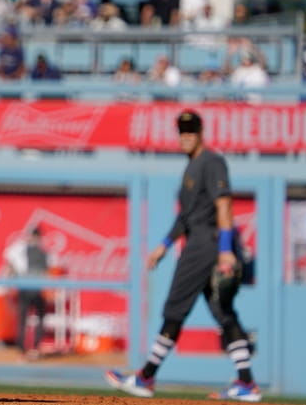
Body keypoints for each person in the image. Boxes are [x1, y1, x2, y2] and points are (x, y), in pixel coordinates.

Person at [105, 110, 262, 402]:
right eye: (182, 131)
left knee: (174, 308)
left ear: (201, 133)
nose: (186, 136)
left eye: (191, 131)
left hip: (207, 245)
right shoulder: (191, 167)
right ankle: (247, 383)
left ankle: (146, 377)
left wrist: (226, 250)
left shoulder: (212, 162)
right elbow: (186, 217)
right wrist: (164, 245)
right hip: (201, 240)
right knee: (224, 314)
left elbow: (224, 206)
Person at [1, 226, 49, 360]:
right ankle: (28, 349)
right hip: (30, 289)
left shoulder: (28, 250)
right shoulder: (29, 250)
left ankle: (28, 349)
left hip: (28, 289)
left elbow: (11, 265)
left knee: (26, 319)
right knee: (29, 319)